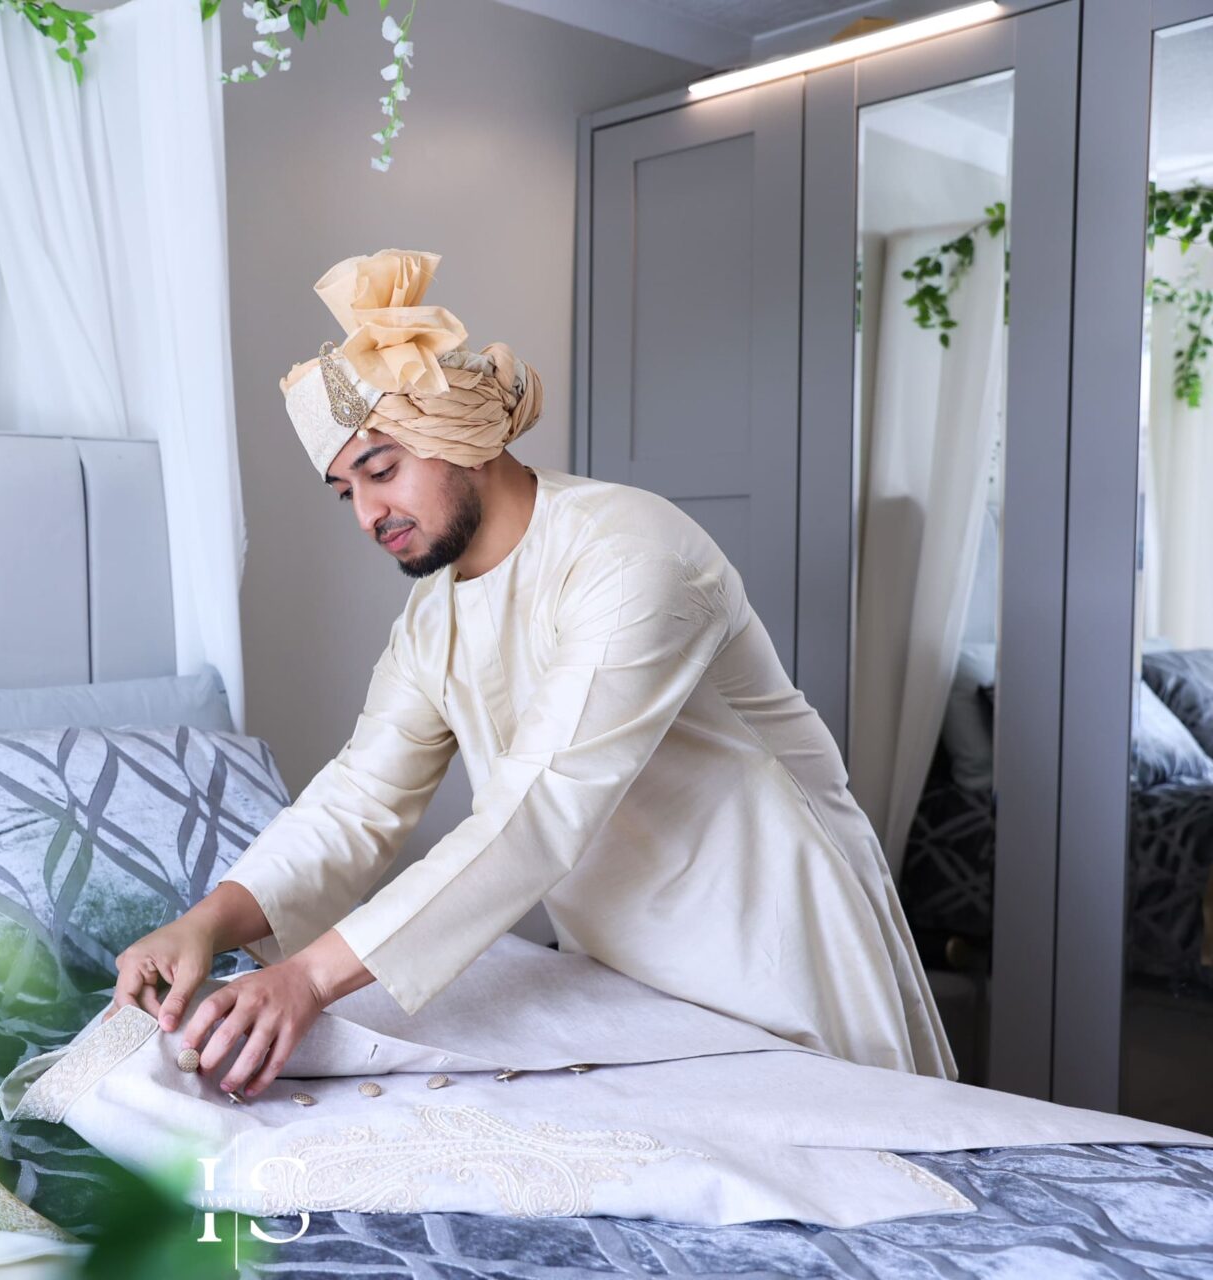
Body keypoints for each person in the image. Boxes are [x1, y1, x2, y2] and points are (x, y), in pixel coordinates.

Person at [105, 248, 956, 1101]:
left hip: (774, 954)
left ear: (463, 438)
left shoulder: (632, 555)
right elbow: (358, 800)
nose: (368, 516)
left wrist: (310, 979)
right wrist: (205, 924)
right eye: (345, 493)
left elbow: (534, 815)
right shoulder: (432, 617)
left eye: (380, 470)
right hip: (624, 981)